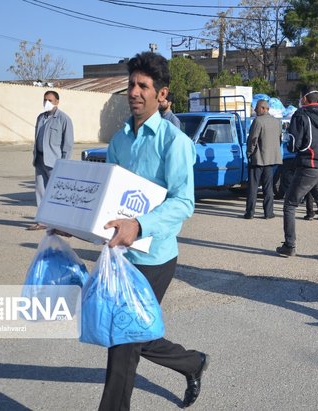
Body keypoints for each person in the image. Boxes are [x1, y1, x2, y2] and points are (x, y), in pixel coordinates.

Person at [101, 52, 208, 410]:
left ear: (161, 94)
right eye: (131, 84)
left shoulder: (174, 142)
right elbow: (108, 197)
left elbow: (183, 203)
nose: (134, 91)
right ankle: (193, 362)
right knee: (136, 338)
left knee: (124, 345)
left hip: (155, 258)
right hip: (120, 256)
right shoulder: (118, 142)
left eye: (143, 86)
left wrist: (140, 224)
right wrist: (72, 222)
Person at [276, 85, 318, 261]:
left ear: (304, 98)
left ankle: (289, 245)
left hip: (307, 167)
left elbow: (294, 143)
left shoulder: (301, 115)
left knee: (290, 204)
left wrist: (289, 143)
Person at [28, 90, 74, 230]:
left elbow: (68, 144)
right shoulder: (40, 118)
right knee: (41, 190)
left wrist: (64, 163)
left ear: (57, 102)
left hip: (55, 162)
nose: (46, 103)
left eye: (50, 100)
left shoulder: (64, 119)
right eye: (45, 100)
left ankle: (60, 222)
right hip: (40, 159)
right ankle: (42, 221)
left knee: (56, 192)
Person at [244, 99, 282, 219]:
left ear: (263, 108)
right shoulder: (277, 122)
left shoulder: (258, 121)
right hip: (270, 160)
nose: (255, 111)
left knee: (253, 187)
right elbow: (279, 139)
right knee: (268, 187)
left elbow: (253, 140)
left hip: (258, 160)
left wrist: (249, 153)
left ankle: (250, 213)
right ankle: (268, 213)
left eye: (256, 108)